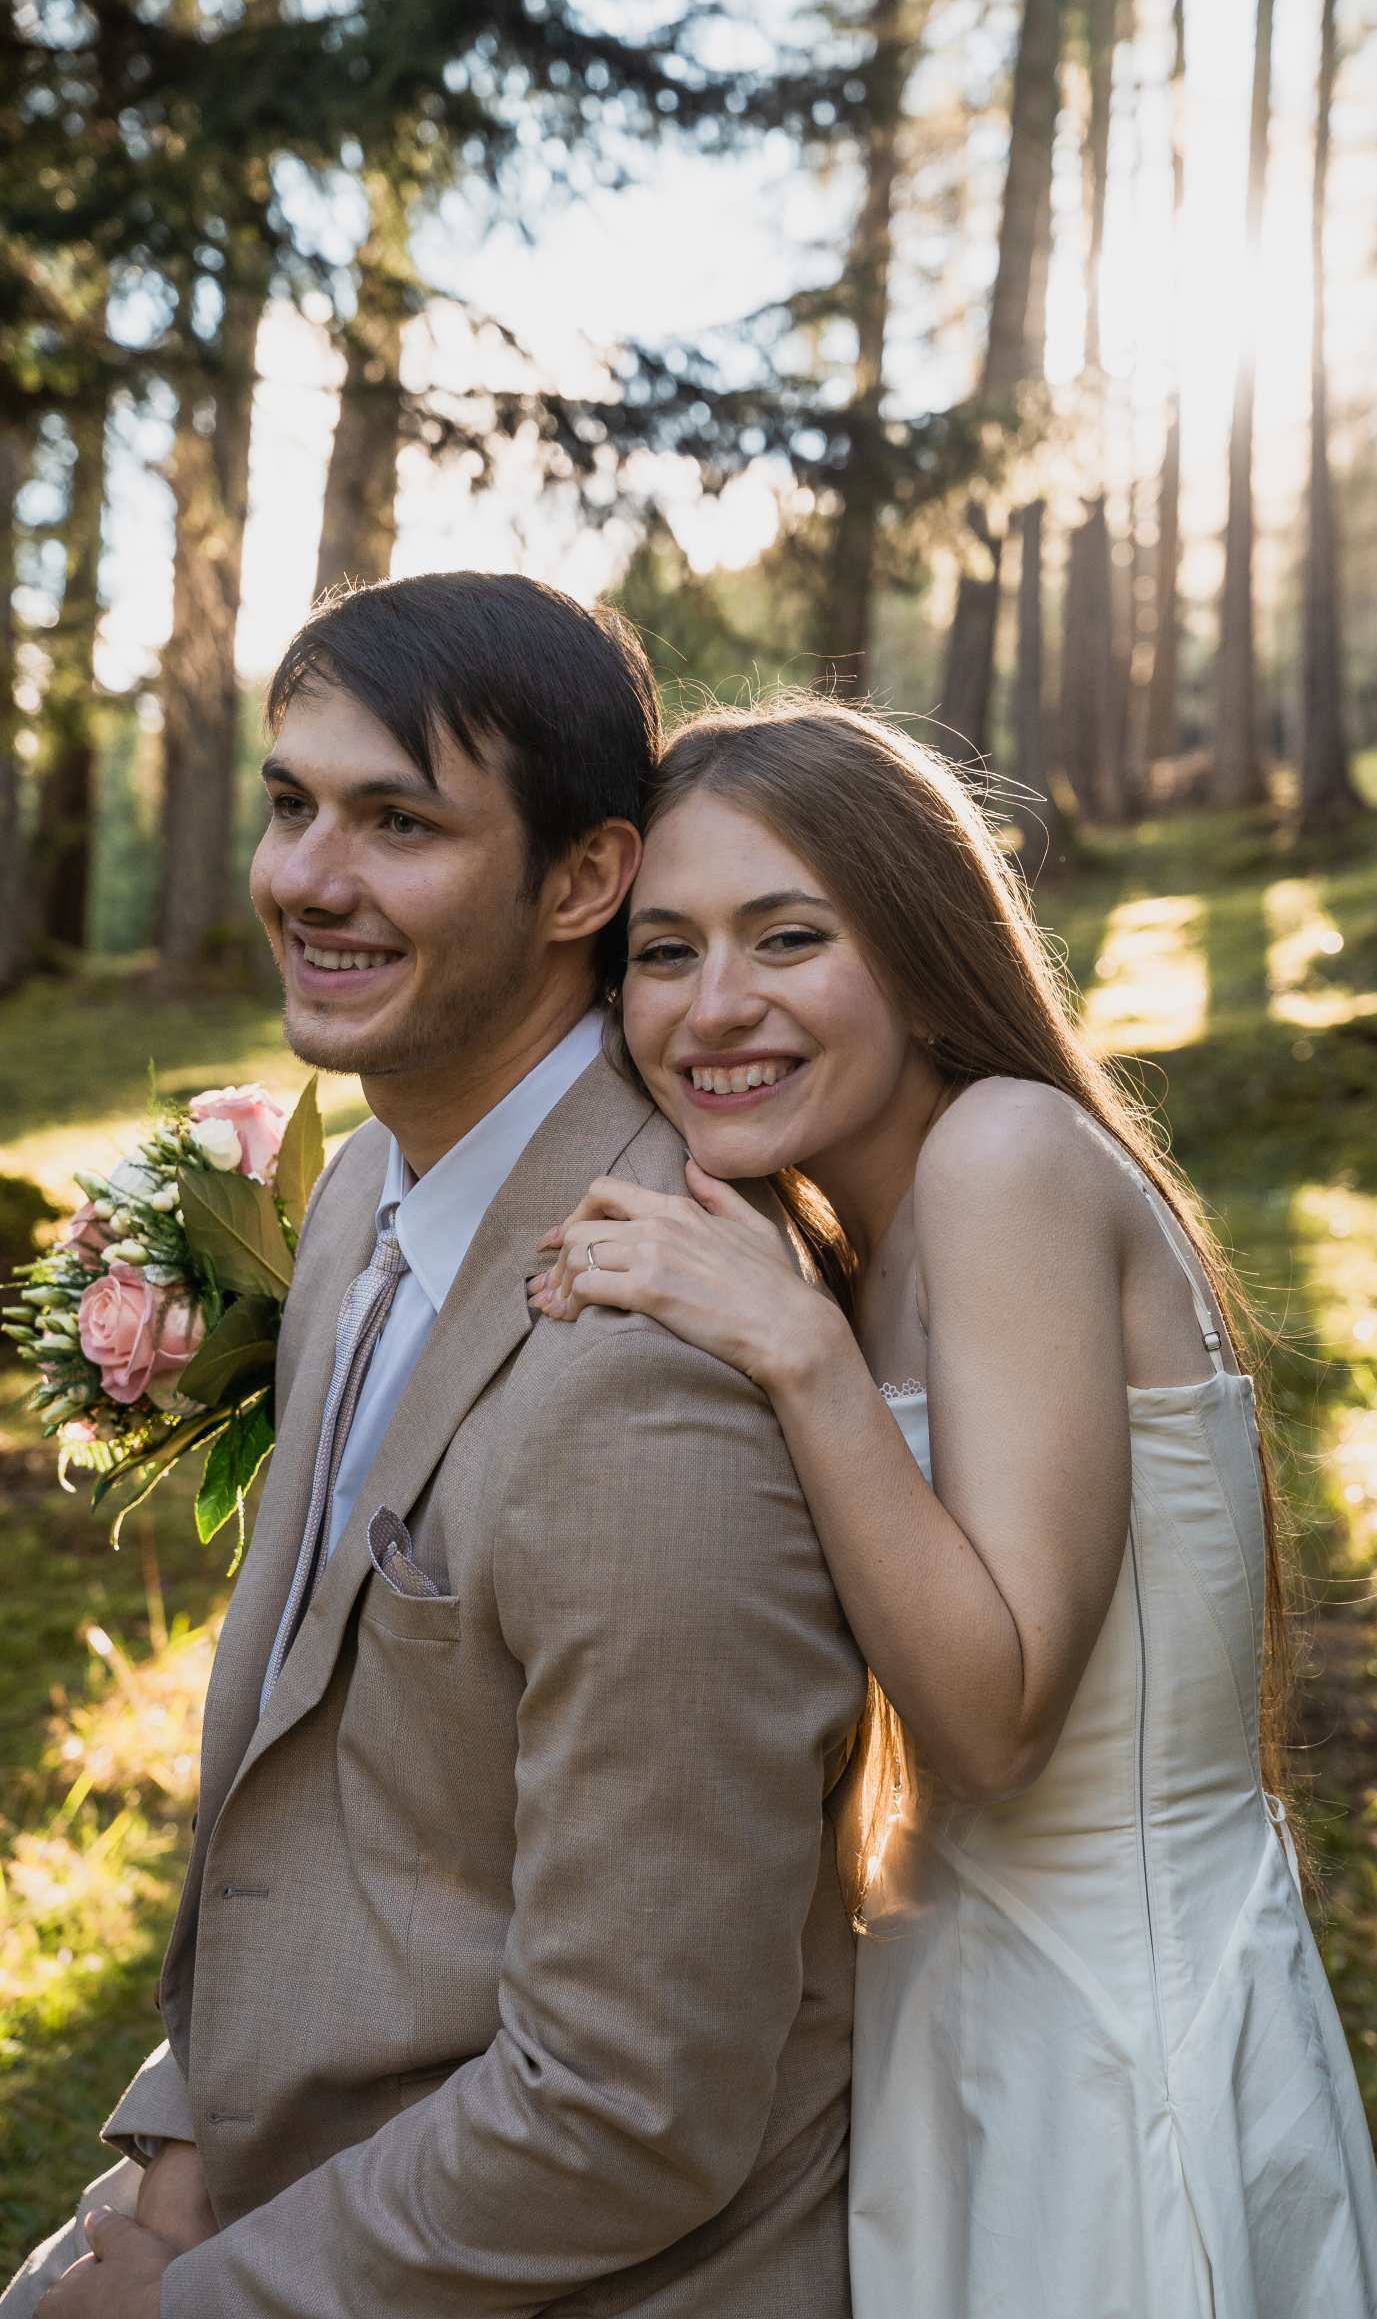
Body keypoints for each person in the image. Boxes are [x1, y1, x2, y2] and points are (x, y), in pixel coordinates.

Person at [6, 581, 863, 2318]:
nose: (309, 878)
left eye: (399, 824)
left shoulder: (651, 1372)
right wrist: (178, 2157)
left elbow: (631, 2106)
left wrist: (198, 2301)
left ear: (585, 879)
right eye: (292, 804)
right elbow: (336, 1791)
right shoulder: (353, 1199)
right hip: (280, 2175)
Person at [536, 692, 1377, 2319]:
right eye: (665, 953)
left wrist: (799, 1356)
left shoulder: (1004, 1156)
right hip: (951, 1996)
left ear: (927, 953)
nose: (716, 1006)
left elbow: (997, 1726)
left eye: (788, 938)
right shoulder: (862, 1247)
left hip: (1104, 2039)